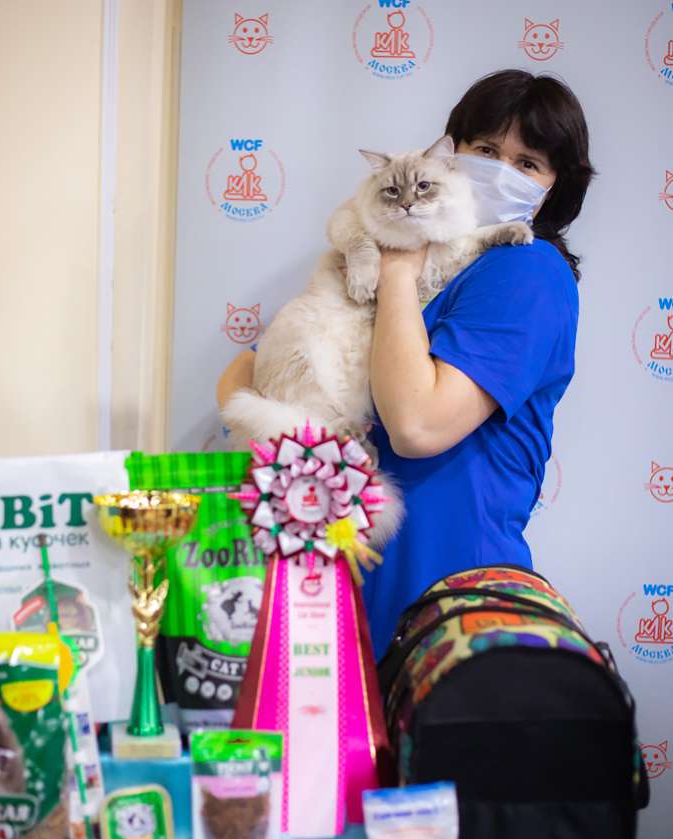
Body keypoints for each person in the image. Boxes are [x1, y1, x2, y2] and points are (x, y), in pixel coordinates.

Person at [217, 69, 595, 659]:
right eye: (485, 150)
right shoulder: (437, 260)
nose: (500, 170)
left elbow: (417, 425)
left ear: (555, 186)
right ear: (452, 152)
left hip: (450, 602)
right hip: (346, 582)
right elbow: (276, 386)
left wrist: (396, 264)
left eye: (527, 163)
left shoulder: (525, 270)